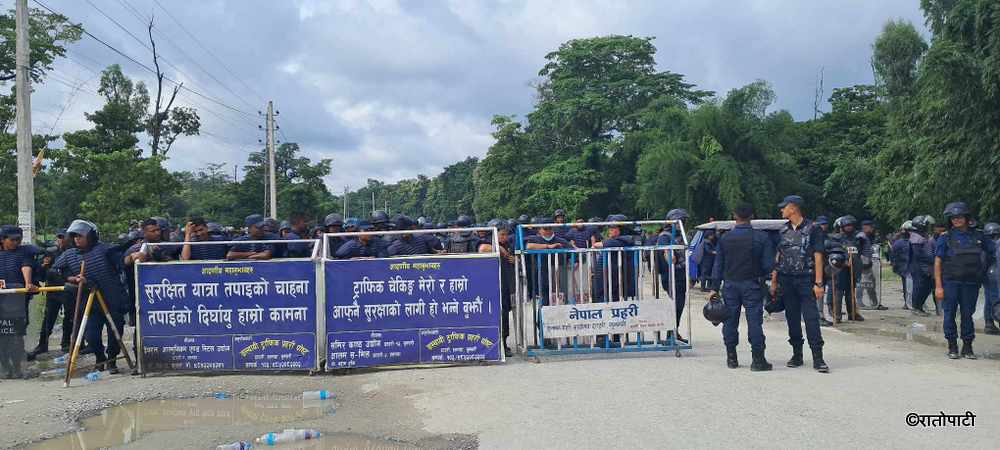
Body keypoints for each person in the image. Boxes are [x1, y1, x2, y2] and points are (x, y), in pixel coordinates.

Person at [51, 220, 129, 374]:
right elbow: (55, 271)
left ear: (91, 236)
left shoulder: (106, 250)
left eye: (80, 236)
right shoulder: (69, 255)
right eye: (74, 236)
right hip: (90, 302)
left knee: (115, 333)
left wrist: (132, 257)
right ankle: (100, 357)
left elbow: (122, 262)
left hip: (112, 299)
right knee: (91, 335)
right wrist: (72, 279)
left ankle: (112, 360)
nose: (77, 239)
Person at [710, 203, 775, 371]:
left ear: (734, 216)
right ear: (752, 216)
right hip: (752, 284)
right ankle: (758, 360)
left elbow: (718, 265)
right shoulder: (761, 238)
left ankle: (732, 358)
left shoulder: (725, 238)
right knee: (754, 322)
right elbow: (768, 265)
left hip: (730, 285)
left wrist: (714, 287)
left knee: (729, 321)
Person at [770, 195, 828, 373]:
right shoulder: (782, 230)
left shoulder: (813, 229)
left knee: (811, 318)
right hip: (786, 280)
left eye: (784, 207)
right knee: (792, 319)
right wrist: (774, 280)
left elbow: (819, 256)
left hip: (806, 279)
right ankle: (797, 354)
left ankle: (818, 358)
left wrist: (819, 283)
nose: (781, 210)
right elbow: (777, 257)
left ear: (793, 208)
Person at [933, 202, 995, 359]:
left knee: (968, 315)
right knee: (949, 315)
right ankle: (952, 346)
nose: (956, 220)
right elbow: (938, 262)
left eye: (960, 217)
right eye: (953, 217)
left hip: (971, 283)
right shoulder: (945, 238)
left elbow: (993, 253)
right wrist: (938, 287)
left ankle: (967, 346)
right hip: (950, 282)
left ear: (967, 218)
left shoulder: (979, 236)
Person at [27, 229, 73, 359]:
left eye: (63, 237)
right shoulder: (50, 252)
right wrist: (43, 265)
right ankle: (42, 344)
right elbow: (40, 276)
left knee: (70, 318)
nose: (61, 240)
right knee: (48, 319)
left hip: (69, 290)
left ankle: (66, 343)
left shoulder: (73, 252)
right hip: (52, 290)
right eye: (59, 237)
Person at [480, 219, 515, 356]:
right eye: (502, 235)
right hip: (488, 287)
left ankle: (504, 344)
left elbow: (518, 256)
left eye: (506, 235)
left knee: (504, 314)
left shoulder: (509, 244)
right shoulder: (486, 242)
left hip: (505, 286)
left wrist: (515, 260)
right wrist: (498, 248)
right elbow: (482, 249)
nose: (505, 237)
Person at [655, 209, 690, 343]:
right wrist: (670, 257)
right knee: (676, 304)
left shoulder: (679, 235)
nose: (684, 223)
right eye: (683, 221)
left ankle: (673, 332)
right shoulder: (666, 235)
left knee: (678, 304)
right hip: (671, 275)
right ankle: (671, 334)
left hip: (679, 274)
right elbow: (666, 254)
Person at [826, 216, 865, 322]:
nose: (849, 228)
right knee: (838, 292)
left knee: (850, 292)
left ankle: (852, 313)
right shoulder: (836, 238)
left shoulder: (856, 238)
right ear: (842, 227)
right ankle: (837, 315)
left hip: (852, 268)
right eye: (847, 226)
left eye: (851, 225)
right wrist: (844, 260)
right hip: (840, 269)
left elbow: (861, 251)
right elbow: (834, 251)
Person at [909, 215, 937, 316]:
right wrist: (932, 259)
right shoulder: (916, 238)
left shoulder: (922, 236)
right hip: (919, 267)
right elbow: (918, 255)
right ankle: (916, 308)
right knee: (919, 287)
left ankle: (919, 307)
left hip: (925, 267)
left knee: (926, 287)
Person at [889, 222, 914, 310]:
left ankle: (910, 303)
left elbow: (893, 256)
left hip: (910, 268)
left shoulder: (915, 241)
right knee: (907, 286)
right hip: (906, 268)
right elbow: (893, 256)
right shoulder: (899, 243)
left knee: (908, 286)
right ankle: (908, 303)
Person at [984, 222, 1000, 335]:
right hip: (995, 273)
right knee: (996, 299)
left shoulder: (984, 244)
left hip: (988, 274)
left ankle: (989, 323)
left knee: (989, 298)